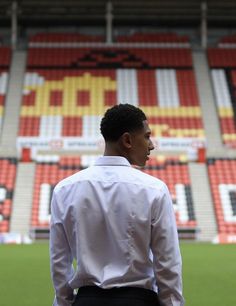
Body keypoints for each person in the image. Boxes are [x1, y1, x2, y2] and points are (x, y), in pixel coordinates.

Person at [50, 103, 184, 306]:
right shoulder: (154, 189)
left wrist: (64, 303)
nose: (152, 145)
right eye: (147, 136)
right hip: (139, 300)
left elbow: (59, 262)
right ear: (128, 140)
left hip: (87, 300)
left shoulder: (64, 189)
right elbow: (167, 263)